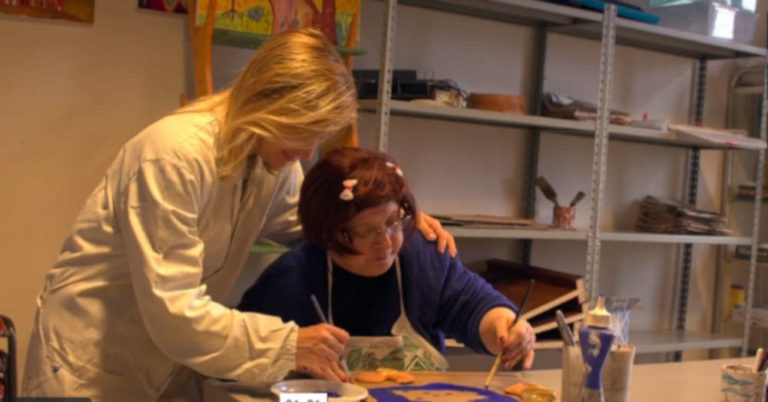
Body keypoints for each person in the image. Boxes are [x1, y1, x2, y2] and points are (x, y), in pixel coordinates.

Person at [22, 29, 455, 402]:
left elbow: (316, 227)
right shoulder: (172, 155)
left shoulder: (271, 159)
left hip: (165, 364)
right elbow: (173, 310)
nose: (307, 153)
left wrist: (390, 221)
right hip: (91, 367)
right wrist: (287, 346)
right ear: (270, 102)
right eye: (304, 133)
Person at [239, 147, 536, 378]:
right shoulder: (289, 281)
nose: (385, 242)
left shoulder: (421, 255)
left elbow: (472, 306)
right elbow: (254, 387)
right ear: (329, 233)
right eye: (366, 231)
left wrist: (505, 328)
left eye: (393, 222)